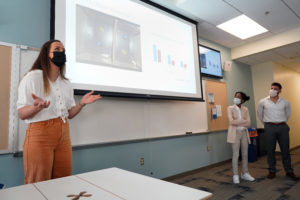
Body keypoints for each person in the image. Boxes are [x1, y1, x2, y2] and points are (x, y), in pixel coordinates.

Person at [17, 39, 101, 184]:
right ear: (46, 54)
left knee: (63, 181)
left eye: (63, 50)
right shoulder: (33, 77)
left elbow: (69, 114)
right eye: (57, 49)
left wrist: (81, 103)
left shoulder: (66, 83)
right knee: (39, 183)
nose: (61, 52)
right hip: (40, 134)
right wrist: (36, 107)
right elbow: (21, 113)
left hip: (63, 134)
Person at [257, 82, 296, 179]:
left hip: (282, 127)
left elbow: (287, 114)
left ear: (280, 91)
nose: (272, 90)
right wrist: (267, 124)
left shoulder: (285, 102)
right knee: (270, 150)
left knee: (285, 150)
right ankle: (272, 170)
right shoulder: (263, 101)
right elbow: (260, 114)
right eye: (271, 88)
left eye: (275, 89)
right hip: (269, 127)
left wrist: (281, 122)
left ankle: (289, 171)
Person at [227, 91, 255, 184]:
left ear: (242, 100)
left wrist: (238, 121)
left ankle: (245, 173)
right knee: (235, 155)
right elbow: (231, 122)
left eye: (238, 97)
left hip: (244, 133)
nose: (236, 98)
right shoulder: (230, 108)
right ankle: (235, 174)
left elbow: (248, 123)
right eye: (235, 96)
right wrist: (243, 121)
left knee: (245, 154)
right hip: (235, 133)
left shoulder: (245, 109)